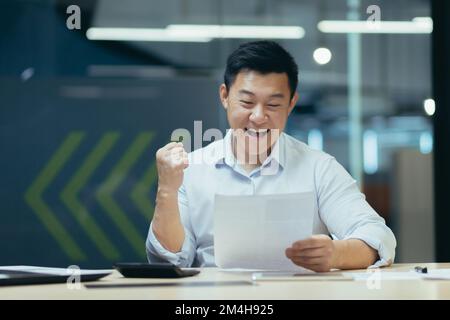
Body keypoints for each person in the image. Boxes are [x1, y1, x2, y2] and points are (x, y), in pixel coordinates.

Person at [146, 40, 396, 272]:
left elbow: (377, 237)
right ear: (225, 96)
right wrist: (166, 189)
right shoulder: (191, 168)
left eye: (273, 105)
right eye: (246, 102)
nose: (258, 117)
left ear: (291, 103)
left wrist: (336, 253)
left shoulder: (318, 168)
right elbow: (169, 261)